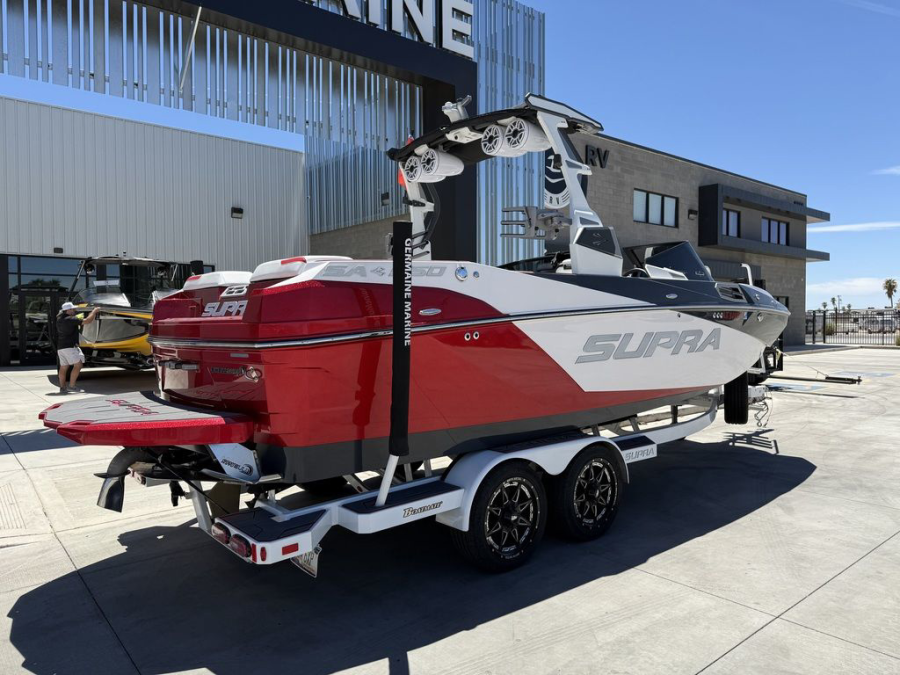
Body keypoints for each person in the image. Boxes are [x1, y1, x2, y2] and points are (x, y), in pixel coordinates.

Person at [56, 302, 99, 394]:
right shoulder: (70, 319)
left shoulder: (59, 319)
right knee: (78, 365)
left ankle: (63, 388)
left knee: (64, 367)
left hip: (61, 347)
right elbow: (87, 321)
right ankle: (72, 386)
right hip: (70, 347)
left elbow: (75, 321)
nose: (74, 310)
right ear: (68, 310)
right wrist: (94, 311)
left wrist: (78, 317)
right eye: (73, 309)